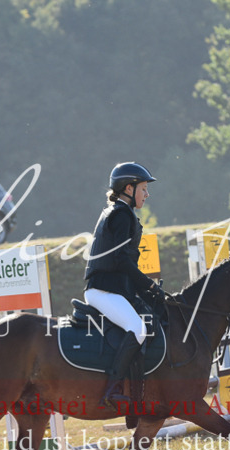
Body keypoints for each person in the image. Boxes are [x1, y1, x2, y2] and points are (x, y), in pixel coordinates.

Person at [83, 162, 163, 408]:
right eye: (144, 188)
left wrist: (146, 290)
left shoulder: (118, 211)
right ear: (129, 188)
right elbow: (121, 261)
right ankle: (113, 389)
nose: (147, 195)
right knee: (137, 329)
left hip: (113, 287)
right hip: (103, 290)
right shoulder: (120, 214)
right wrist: (148, 286)